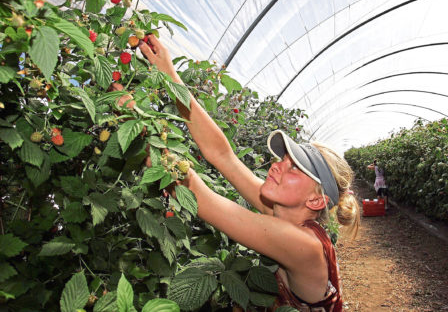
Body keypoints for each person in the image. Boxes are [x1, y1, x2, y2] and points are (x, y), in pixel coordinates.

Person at [139, 36, 360, 311]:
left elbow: (199, 196)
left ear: (315, 201)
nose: (277, 165)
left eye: (294, 168)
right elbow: (222, 155)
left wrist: (137, 128)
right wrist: (171, 77)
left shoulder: (303, 244)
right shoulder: (282, 211)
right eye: (283, 159)